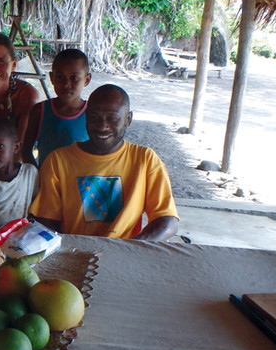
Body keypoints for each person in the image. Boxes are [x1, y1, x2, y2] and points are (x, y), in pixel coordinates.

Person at [29, 84, 179, 241]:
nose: (102, 126)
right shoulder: (58, 161)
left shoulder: (145, 159)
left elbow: (167, 221)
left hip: (125, 253)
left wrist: (132, 248)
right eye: (94, 118)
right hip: (74, 253)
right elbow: (45, 220)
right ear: (86, 117)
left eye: (112, 119)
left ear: (128, 119)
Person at [22, 48, 92, 166]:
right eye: (60, 77)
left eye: (74, 78)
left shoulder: (92, 113)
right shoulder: (40, 111)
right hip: (47, 182)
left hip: (81, 182)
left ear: (87, 80)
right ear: (51, 77)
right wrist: (39, 176)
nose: (66, 84)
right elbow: (25, 151)